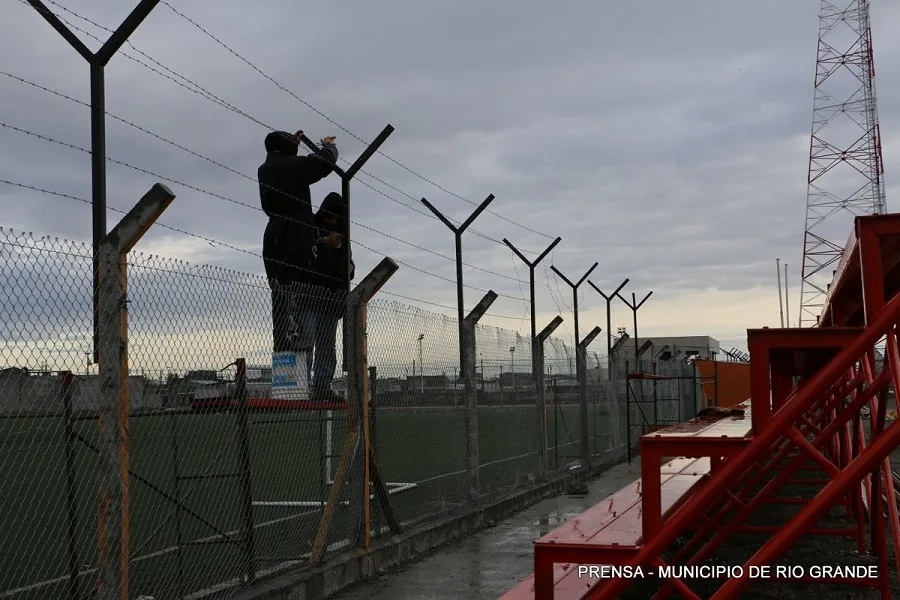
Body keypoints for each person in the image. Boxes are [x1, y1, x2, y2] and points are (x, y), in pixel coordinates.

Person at [258, 130, 338, 354]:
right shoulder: (291, 166)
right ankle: (296, 364)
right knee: (297, 299)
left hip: (274, 238)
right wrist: (329, 146)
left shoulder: (266, 168)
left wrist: (290, 143)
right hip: (295, 236)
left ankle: (285, 353)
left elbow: (287, 158)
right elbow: (323, 164)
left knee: (282, 299)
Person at [307, 191, 355, 401]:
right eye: (329, 216)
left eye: (336, 217)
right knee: (306, 344)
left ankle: (321, 387)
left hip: (332, 299)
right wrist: (324, 243)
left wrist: (348, 270)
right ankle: (302, 386)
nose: (333, 220)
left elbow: (351, 265)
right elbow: (305, 252)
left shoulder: (344, 237)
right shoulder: (311, 228)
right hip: (309, 296)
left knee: (326, 347)